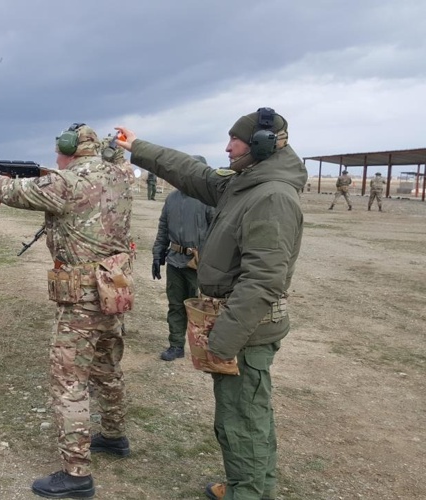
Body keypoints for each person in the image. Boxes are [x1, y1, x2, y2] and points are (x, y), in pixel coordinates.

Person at [115, 107, 306, 500]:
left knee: (240, 419)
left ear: (261, 145)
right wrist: (137, 146)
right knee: (248, 413)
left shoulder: (271, 196)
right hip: (242, 326)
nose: (227, 147)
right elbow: (190, 172)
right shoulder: (246, 183)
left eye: (235, 140)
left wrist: (223, 341)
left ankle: (246, 493)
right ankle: (254, 487)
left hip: (246, 330)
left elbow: (263, 280)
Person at [0, 123, 134, 499]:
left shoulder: (66, 183)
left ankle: (77, 475)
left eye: (59, 150)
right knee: (107, 366)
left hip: (81, 295)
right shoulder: (119, 176)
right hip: (112, 288)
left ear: (69, 148)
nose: (55, 157)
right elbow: (115, 163)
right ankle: (114, 436)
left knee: (69, 382)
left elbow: (10, 191)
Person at [152, 155, 213, 362]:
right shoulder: (172, 198)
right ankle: (176, 345)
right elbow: (163, 228)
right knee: (176, 305)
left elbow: (218, 232)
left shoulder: (209, 200)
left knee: (203, 308)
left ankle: (205, 348)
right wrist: (158, 255)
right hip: (175, 261)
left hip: (200, 264)